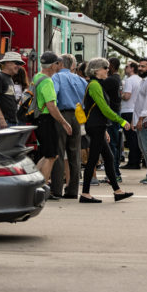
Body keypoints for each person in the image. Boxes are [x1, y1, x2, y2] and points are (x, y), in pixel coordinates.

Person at [78, 57, 134, 203]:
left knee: (107, 158)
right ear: (97, 70)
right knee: (93, 160)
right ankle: (85, 194)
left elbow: (100, 110)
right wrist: (121, 121)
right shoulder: (95, 85)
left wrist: (104, 129)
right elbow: (104, 108)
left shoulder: (97, 84)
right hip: (95, 126)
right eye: (105, 67)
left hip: (98, 126)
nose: (107, 70)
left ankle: (117, 191)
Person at [34, 52, 73, 197]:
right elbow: (51, 105)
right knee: (51, 155)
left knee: (48, 154)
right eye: (58, 63)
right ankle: (41, 188)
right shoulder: (47, 81)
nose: (60, 65)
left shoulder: (37, 77)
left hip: (38, 119)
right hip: (46, 119)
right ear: (52, 65)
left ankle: (34, 182)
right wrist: (64, 122)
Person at [52, 54, 87, 199]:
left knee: (58, 153)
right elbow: (86, 97)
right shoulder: (80, 80)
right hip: (77, 116)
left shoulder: (56, 78)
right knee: (75, 153)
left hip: (62, 115)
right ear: (73, 65)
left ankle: (57, 189)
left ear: (60, 64)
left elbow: (53, 95)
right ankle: (73, 190)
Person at [0, 52, 26, 129]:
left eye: (20, 64)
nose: (19, 66)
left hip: (10, 122)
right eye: (17, 63)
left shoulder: (9, 78)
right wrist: (1, 119)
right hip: (4, 123)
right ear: (7, 62)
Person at [104, 57, 125, 179]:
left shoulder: (111, 80)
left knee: (112, 144)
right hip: (117, 113)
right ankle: (115, 172)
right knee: (115, 144)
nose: (106, 69)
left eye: (107, 66)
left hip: (112, 115)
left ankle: (115, 173)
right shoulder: (118, 79)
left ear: (111, 66)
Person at [120, 62, 143, 169]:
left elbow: (127, 96)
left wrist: (120, 94)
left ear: (132, 68)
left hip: (127, 110)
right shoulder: (140, 79)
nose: (125, 68)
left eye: (127, 66)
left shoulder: (129, 80)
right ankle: (137, 160)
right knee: (135, 138)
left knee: (130, 138)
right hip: (136, 110)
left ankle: (133, 162)